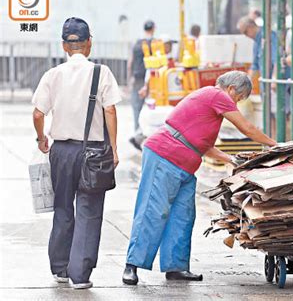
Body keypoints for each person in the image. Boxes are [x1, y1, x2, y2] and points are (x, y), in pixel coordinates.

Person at [122, 71, 276, 284]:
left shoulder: (212, 103)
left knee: (182, 216)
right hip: (165, 156)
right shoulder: (217, 95)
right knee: (153, 210)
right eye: (238, 99)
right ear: (231, 89)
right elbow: (247, 128)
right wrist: (276, 147)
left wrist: (228, 158)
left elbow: (201, 144)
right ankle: (132, 265)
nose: (236, 104)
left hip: (186, 165)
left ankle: (176, 267)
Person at [32, 17, 121, 289]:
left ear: (64, 46)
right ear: (89, 43)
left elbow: (38, 113)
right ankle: (80, 275)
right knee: (89, 211)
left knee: (62, 208)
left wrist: (41, 139)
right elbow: (110, 110)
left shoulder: (53, 74)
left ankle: (60, 269)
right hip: (92, 152)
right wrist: (114, 148)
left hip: (60, 151)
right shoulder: (101, 72)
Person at [128, 20, 156, 150]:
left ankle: (137, 133)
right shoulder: (155, 44)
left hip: (137, 78)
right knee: (151, 107)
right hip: (151, 79)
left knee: (136, 108)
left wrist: (131, 78)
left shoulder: (137, 43)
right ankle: (145, 136)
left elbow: (130, 62)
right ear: (153, 29)